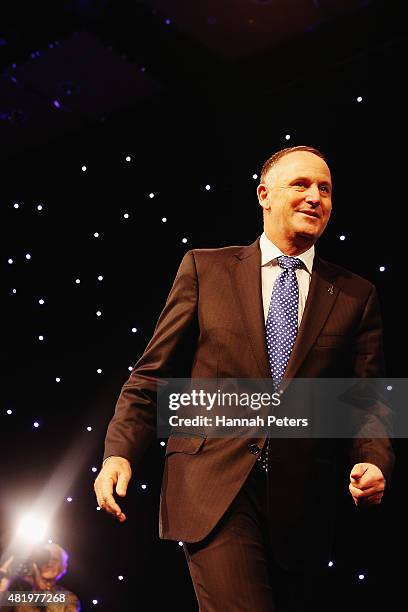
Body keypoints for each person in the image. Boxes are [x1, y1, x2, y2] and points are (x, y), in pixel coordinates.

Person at [94, 146, 394, 611]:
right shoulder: (205, 268)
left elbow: (367, 399)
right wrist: (119, 452)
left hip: (302, 506)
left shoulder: (356, 294)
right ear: (264, 195)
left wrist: (375, 461)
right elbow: (151, 374)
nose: (315, 196)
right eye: (301, 184)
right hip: (213, 489)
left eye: (325, 189)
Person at [0, 543, 80, 612]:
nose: (49, 563)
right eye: (45, 558)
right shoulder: (21, 592)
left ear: (63, 567)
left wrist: (42, 589)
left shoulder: (68, 598)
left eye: (55, 560)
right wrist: (4, 583)